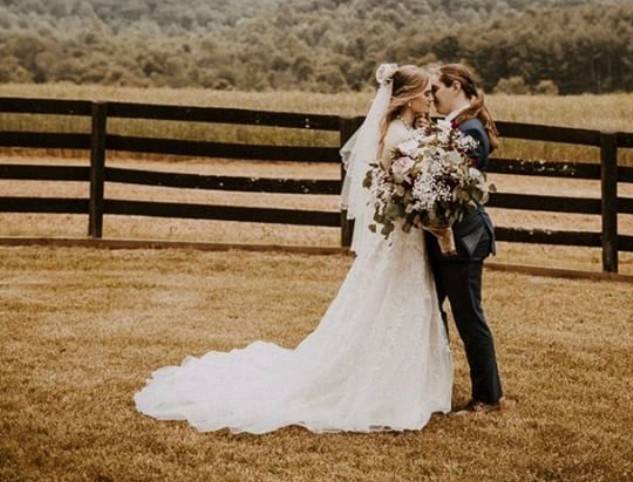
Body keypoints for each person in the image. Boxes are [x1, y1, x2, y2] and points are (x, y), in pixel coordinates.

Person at [133, 64, 453, 434]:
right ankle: (383, 386)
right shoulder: (398, 136)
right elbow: (406, 191)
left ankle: (405, 381)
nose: (429, 98)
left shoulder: (411, 131)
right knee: (387, 303)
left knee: (403, 302)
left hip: (404, 240)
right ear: (409, 96)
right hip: (400, 241)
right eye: (425, 92)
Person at [427, 63, 505, 413]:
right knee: (432, 309)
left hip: (464, 238)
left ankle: (488, 396)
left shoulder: (470, 130)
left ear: (456, 86)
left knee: (469, 316)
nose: (431, 98)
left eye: (436, 90)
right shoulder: (457, 125)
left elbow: (456, 188)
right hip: (447, 236)